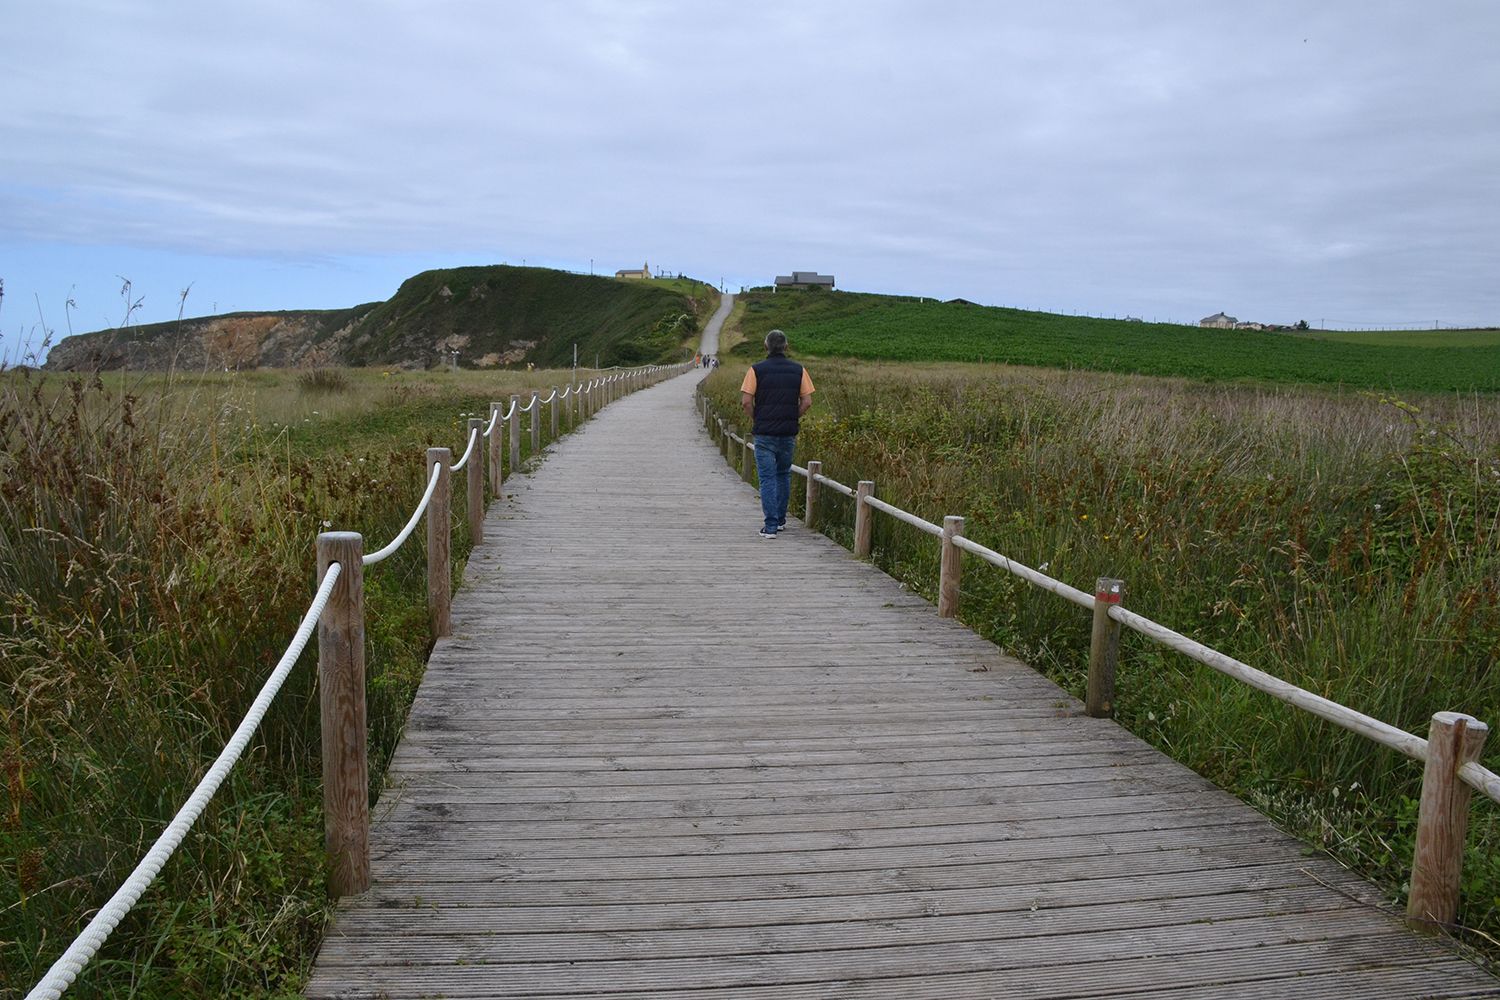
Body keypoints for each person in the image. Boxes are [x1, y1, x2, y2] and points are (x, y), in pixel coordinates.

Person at [740, 329, 814, 537]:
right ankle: (780, 520)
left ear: (766, 346)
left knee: (767, 478)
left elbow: (746, 401)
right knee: (783, 475)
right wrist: (792, 416)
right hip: (788, 432)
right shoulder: (799, 370)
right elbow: (807, 401)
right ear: (786, 347)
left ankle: (770, 526)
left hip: (764, 433)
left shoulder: (755, 370)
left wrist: (757, 418)